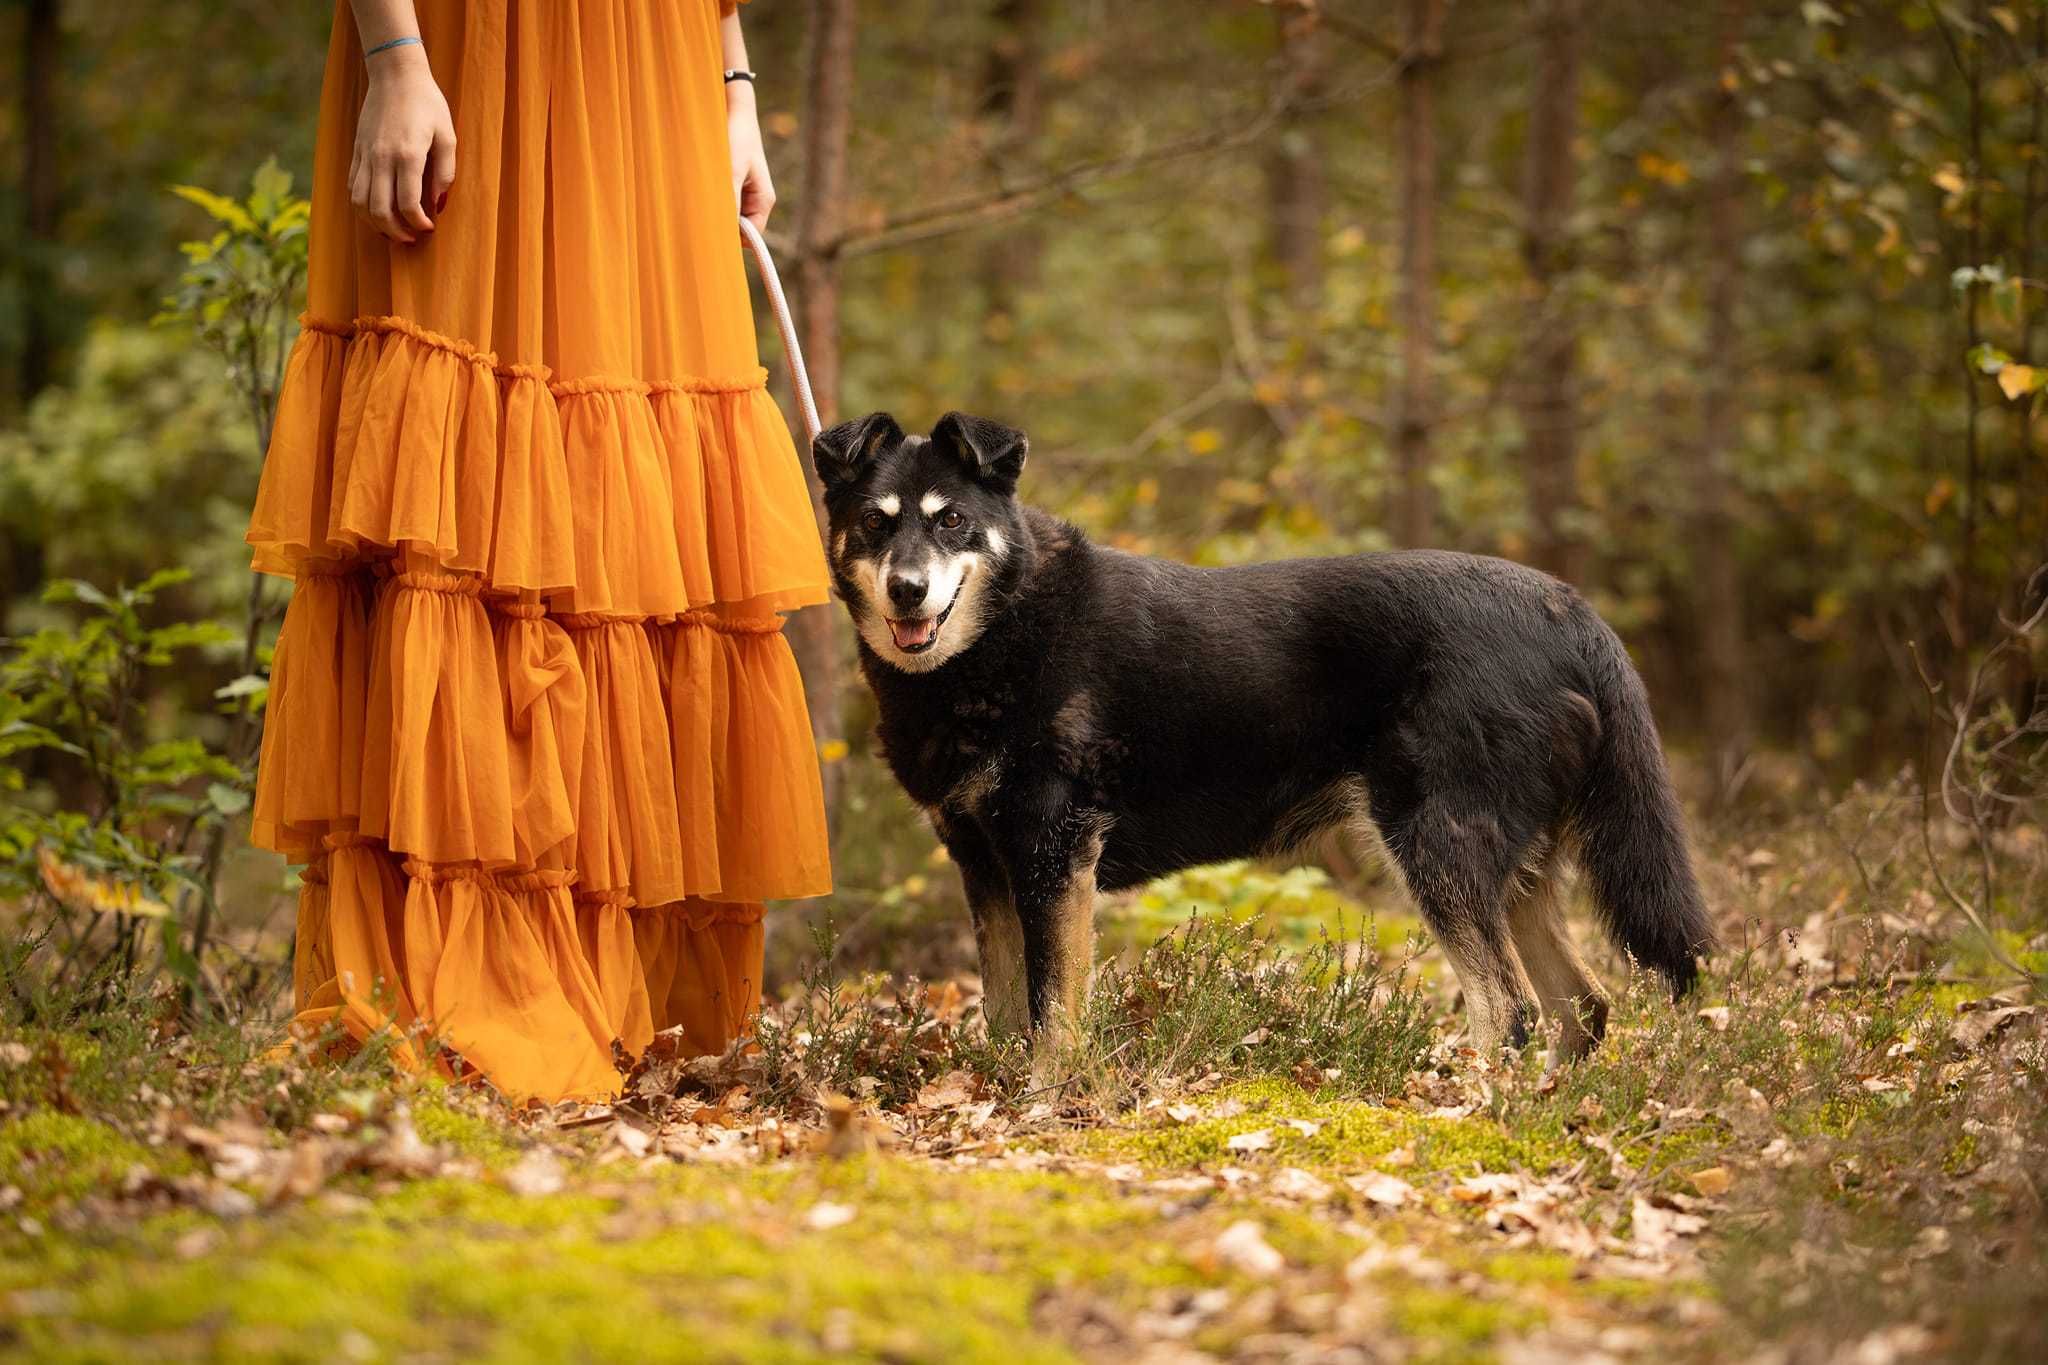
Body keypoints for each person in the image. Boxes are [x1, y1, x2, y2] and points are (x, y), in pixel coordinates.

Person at [247, 0, 832, 1103]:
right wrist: (394, 55)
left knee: (628, 496)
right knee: (464, 503)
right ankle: (467, 985)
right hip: (468, 48)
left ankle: (626, 990)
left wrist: (733, 87)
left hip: (654, 66)